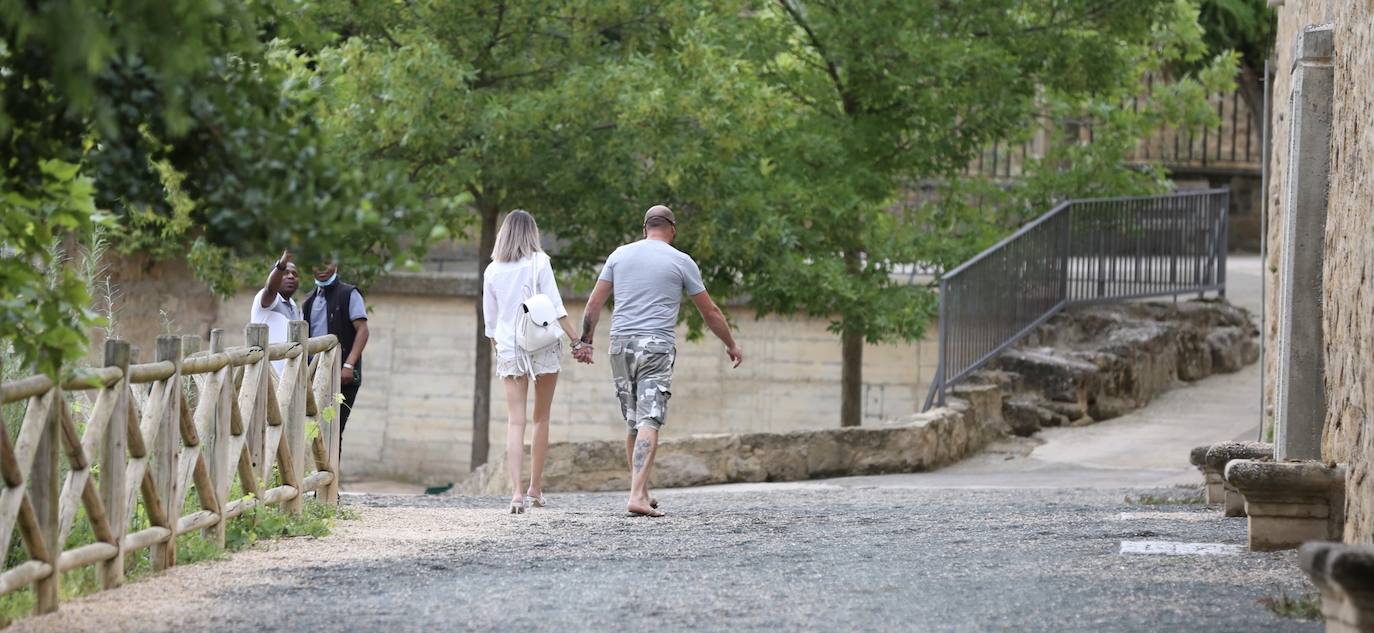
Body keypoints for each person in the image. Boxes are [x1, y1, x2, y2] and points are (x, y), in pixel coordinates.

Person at [575, 205, 742, 517]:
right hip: (655, 346)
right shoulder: (681, 261)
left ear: (644, 229)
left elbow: (594, 303)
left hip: (620, 344)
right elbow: (710, 312)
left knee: (633, 421)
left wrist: (585, 341)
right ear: (672, 229)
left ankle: (641, 490)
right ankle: (637, 495)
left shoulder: (619, 255)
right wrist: (730, 343)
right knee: (650, 419)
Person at [482, 210, 584, 514]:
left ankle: (515, 494)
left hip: (510, 348)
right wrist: (578, 341)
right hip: (542, 346)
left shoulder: (492, 271)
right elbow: (556, 306)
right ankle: (535, 488)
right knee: (542, 418)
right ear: (532, 233)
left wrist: (500, 352)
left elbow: (490, 322)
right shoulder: (540, 262)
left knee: (515, 421)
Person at [301, 258, 369, 440]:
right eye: (317, 263)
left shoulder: (349, 293)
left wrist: (349, 365)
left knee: (333, 431)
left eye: (327, 263)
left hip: (342, 377)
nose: (322, 268)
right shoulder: (308, 300)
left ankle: (331, 468)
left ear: (336, 265)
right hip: (314, 376)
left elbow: (362, 330)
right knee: (311, 431)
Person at [250, 251, 302, 376]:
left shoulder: (294, 306)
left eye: (295, 274)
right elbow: (270, 288)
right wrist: (281, 264)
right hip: (267, 378)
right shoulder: (266, 298)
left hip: (289, 378)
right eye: (285, 273)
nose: (291, 276)